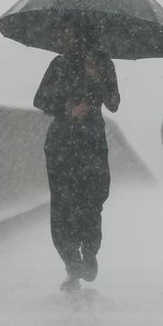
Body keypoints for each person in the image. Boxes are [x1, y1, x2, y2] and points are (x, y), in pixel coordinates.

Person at [33, 26, 120, 291]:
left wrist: (99, 78)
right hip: (61, 143)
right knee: (62, 206)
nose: (59, 39)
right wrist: (67, 108)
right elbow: (40, 99)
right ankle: (72, 265)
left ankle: (90, 252)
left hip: (91, 142)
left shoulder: (103, 63)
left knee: (92, 201)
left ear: (80, 35)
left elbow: (114, 102)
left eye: (64, 35)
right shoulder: (57, 65)